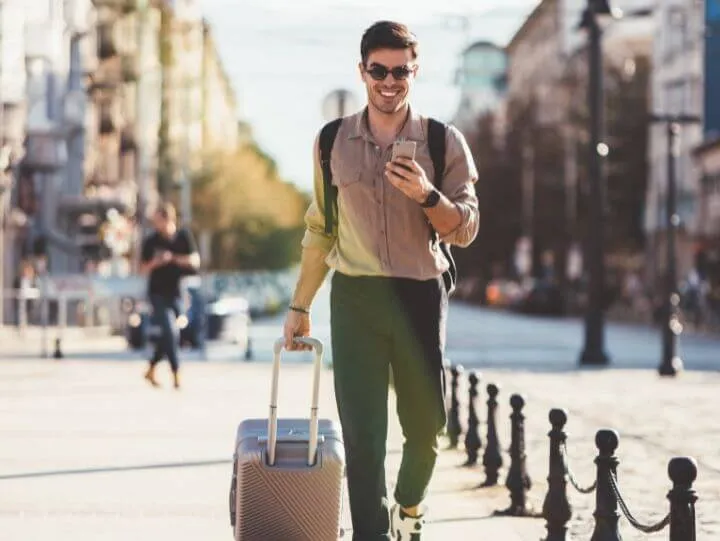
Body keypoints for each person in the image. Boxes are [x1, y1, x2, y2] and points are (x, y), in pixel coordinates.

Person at [282, 21, 479, 541]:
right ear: (362, 70)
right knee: (364, 436)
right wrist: (299, 306)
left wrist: (427, 196)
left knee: (426, 429)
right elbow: (321, 229)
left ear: (416, 71)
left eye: (400, 71)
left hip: (418, 295)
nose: (389, 81)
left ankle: (408, 507)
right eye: (379, 70)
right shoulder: (331, 142)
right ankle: (371, 533)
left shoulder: (442, 139)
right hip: (356, 299)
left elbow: (466, 228)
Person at [140, 202, 200, 389]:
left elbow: (195, 261)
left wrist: (173, 258)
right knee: (170, 330)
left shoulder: (183, 236)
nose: (156, 225)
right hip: (157, 294)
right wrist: (157, 262)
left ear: (168, 219)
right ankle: (176, 374)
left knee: (170, 333)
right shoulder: (151, 241)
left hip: (177, 293)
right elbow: (142, 268)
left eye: (159, 221)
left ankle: (151, 368)